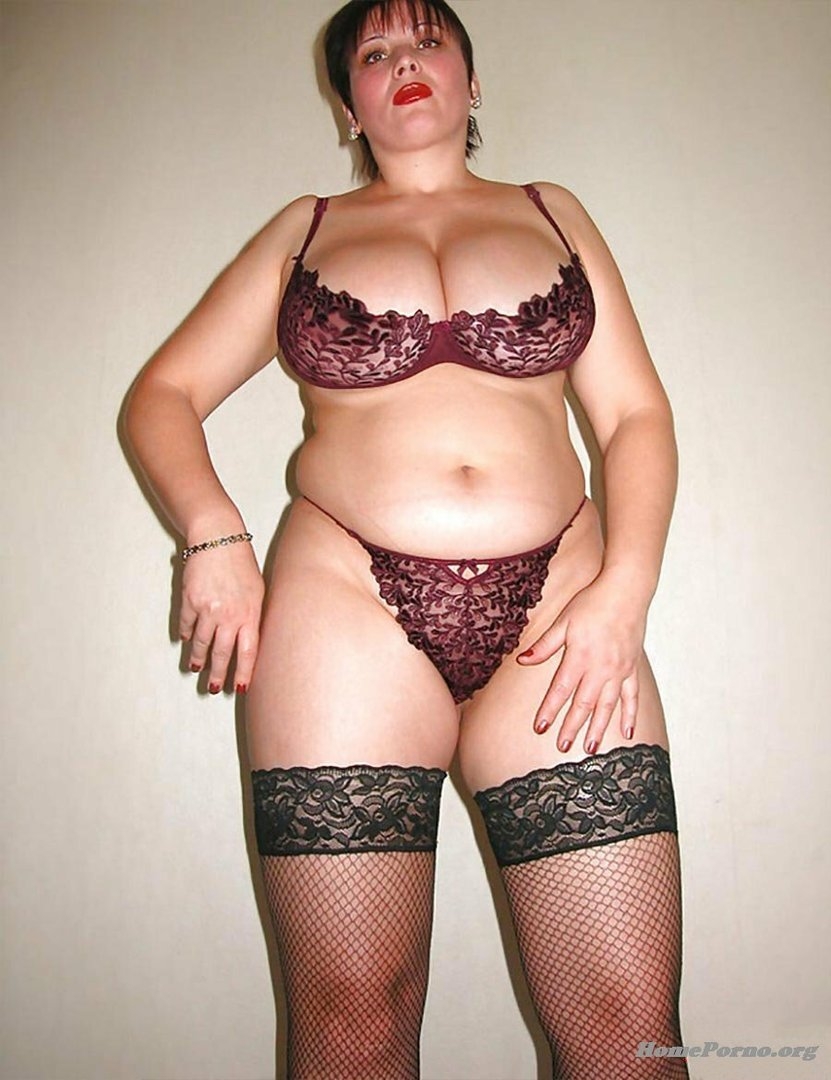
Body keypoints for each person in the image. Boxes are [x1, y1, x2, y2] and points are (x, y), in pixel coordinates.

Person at [125, 1, 687, 1076]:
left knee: (630, 1025)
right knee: (352, 1019)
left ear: (471, 81)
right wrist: (211, 534)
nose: (405, 63)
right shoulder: (304, 230)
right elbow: (164, 393)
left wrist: (626, 591)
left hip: (564, 612)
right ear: (350, 106)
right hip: (346, 608)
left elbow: (634, 418)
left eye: (428, 42)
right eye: (374, 55)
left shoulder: (551, 209)